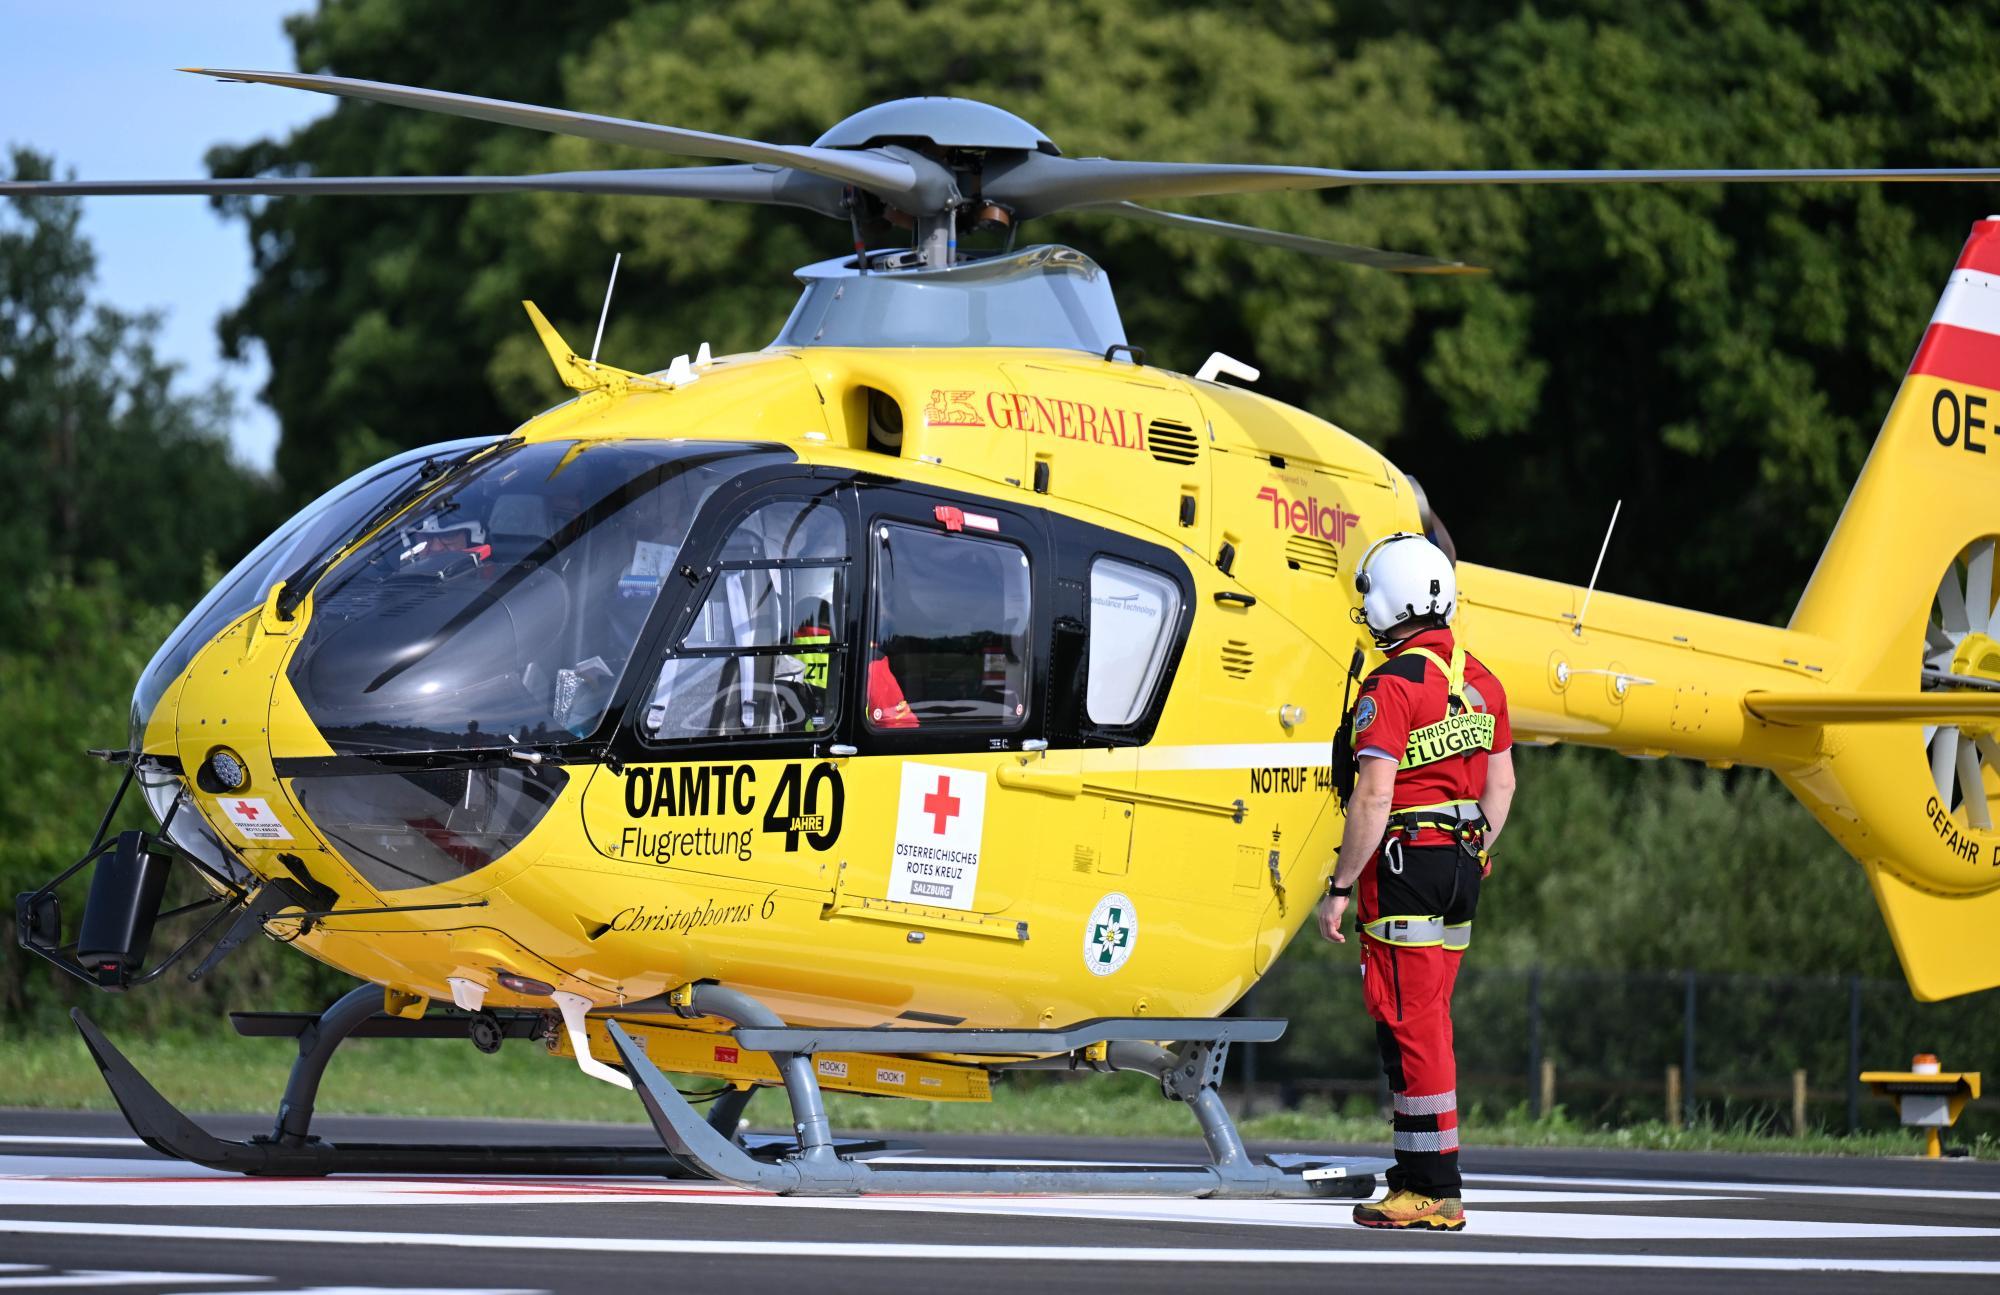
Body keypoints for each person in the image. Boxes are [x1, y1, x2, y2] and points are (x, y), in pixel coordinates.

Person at [1319, 531, 1516, 1232]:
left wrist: (1340, 885)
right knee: (1423, 1018)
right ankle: (1413, 1171)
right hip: (1462, 863)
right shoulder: (1483, 681)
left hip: (1405, 863)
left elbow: (1373, 797)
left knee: (1413, 1023)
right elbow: (1502, 783)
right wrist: (1472, 851)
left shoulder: (1391, 687)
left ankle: (1435, 1187)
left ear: (1393, 600)